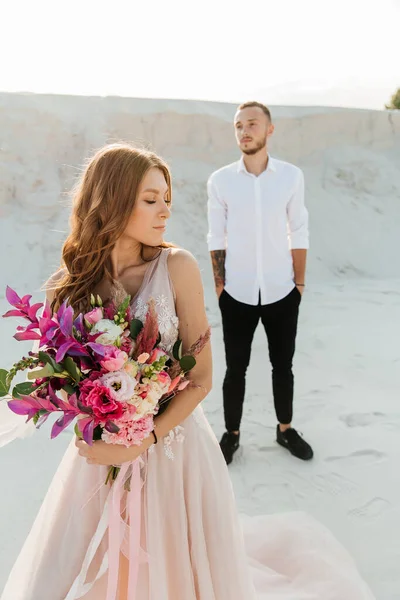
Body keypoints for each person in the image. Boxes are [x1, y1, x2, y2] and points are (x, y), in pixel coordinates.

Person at [1, 144, 374, 600]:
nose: (165, 211)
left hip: (173, 449)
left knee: (173, 571)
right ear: (114, 199)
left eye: (167, 199)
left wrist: (142, 438)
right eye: (150, 199)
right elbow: (61, 375)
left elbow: (200, 379)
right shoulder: (74, 283)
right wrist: (92, 412)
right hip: (102, 454)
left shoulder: (177, 267)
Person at [207, 101, 313, 464]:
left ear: (269, 129)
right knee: (235, 369)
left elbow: (298, 229)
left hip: (282, 291)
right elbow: (215, 237)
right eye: (238, 126)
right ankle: (231, 434)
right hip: (236, 293)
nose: (244, 131)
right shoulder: (220, 181)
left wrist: (298, 284)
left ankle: (285, 430)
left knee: (283, 366)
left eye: (252, 124)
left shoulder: (290, 176)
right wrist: (220, 287)